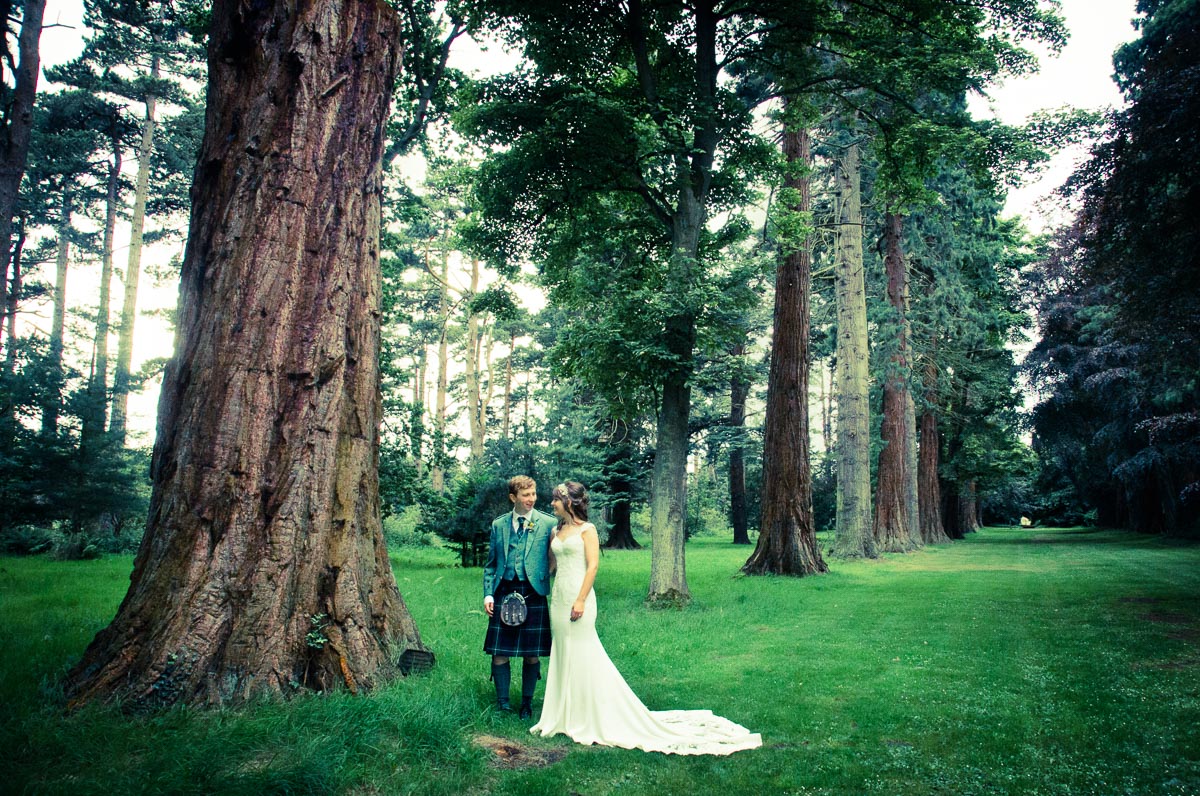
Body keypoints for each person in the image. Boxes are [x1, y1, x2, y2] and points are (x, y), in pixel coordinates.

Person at [531, 481, 762, 755]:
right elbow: (553, 563)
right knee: (563, 651)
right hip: (558, 598)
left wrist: (580, 599)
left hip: (579, 596)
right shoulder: (557, 530)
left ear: (569, 501)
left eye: (556, 500)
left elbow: (593, 566)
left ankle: (588, 713)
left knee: (582, 652)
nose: (552, 504)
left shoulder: (587, 530)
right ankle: (562, 714)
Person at [483, 475, 555, 719]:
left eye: (533, 494)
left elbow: (556, 556)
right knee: (500, 652)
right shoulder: (499, 525)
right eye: (526, 495)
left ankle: (527, 703)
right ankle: (503, 702)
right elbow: (491, 565)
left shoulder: (548, 523)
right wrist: (488, 595)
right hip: (504, 591)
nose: (531, 499)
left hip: (533, 592)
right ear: (513, 497)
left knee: (531, 652)